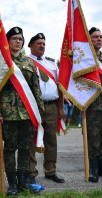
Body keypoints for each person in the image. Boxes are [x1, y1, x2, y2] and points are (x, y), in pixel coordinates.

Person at [0, 27, 44, 196]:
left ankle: (22, 182)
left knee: (25, 148)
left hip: (27, 113)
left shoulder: (29, 63)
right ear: (7, 41)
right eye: (14, 38)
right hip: (8, 113)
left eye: (20, 39)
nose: (18, 41)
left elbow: (36, 89)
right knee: (10, 148)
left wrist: (39, 112)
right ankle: (12, 183)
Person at [27, 33, 65, 184]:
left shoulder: (51, 63)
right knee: (31, 140)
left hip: (51, 106)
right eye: (38, 43)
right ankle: (31, 173)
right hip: (33, 106)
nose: (42, 45)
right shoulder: (25, 62)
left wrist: (60, 107)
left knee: (51, 140)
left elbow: (59, 86)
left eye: (43, 43)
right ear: (30, 46)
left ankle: (51, 171)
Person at [86, 27, 102, 182]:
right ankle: (94, 168)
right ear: (89, 39)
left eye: (100, 37)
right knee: (93, 136)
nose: (99, 39)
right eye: (95, 37)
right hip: (92, 104)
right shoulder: (85, 59)